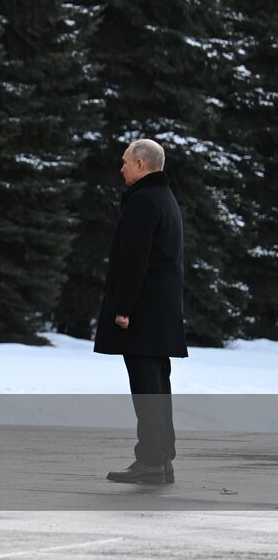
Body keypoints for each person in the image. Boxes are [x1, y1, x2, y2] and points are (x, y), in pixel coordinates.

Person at [95, 138, 187, 485]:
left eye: (124, 162)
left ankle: (151, 461)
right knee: (158, 386)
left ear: (140, 164)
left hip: (142, 313)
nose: (120, 168)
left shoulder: (144, 201)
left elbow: (135, 260)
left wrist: (122, 308)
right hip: (160, 312)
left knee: (147, 387)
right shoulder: (165, 198)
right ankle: (160, 459)